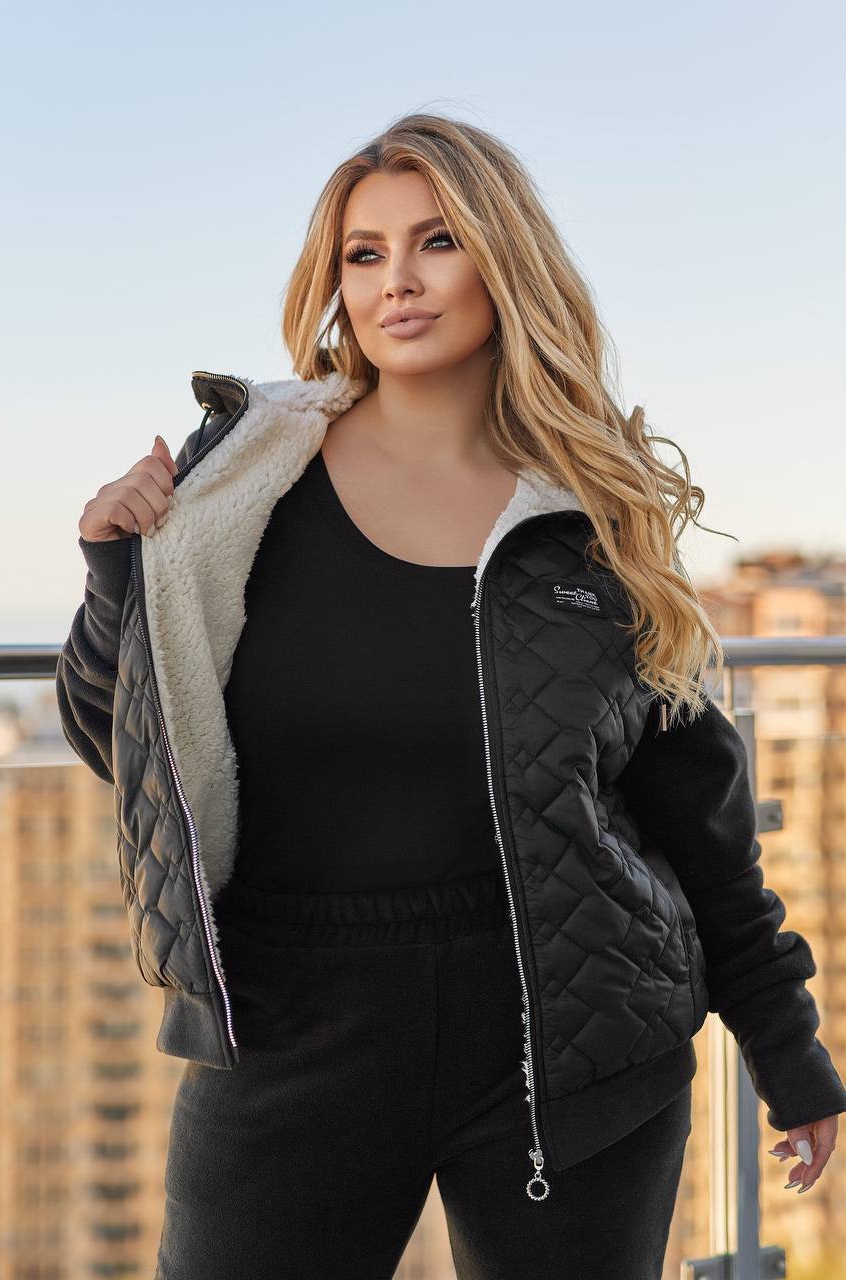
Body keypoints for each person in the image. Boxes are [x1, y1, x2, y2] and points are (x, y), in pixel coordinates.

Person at [57, 112, 846, 1279]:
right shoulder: (240, 486)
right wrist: (117, 573)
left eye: (436, 241)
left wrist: (787, 1049)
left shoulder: (592, 512)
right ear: (336, 284)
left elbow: (695, 813)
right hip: (291, 1021)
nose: (398, 280)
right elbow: (125, 746)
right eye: (364, 253)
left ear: (502, 261)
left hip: (572, 1039)